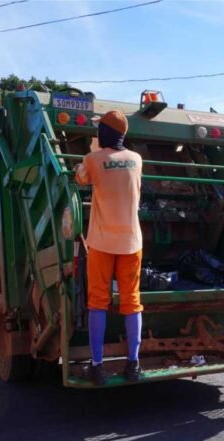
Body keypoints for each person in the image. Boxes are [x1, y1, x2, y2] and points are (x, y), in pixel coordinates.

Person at [74, 110, 144, 384]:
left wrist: (92, 152)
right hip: (131, 242)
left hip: (102, 244)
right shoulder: (137, 160)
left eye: (98, 130)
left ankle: (97, 366)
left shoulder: (93, 159)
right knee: (132, 303)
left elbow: (80, 178)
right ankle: (133, 364)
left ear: (103, 133)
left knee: (98, 303)